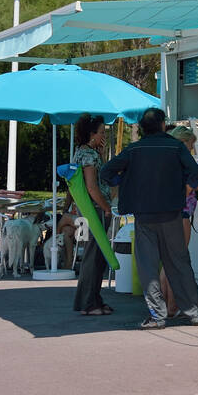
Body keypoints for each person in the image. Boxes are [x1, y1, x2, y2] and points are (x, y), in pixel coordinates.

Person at [101, 108, 198, 328]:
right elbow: (194, 173)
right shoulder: (175, 146)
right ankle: (193, 312)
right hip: (172, 213)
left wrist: (127, 182)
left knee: (148, 266)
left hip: (144, 215)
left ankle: (158, 316)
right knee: (178, 262)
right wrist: (183, 188)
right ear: (161, 125)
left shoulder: (134, 149)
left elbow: (107, 172)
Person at [160, 126, 198, 316]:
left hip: (166, 214)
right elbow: (187, 189)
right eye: (191, 144)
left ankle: (165, 305)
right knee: (177, 261)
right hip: (181, 214)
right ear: (183, 142)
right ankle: (172, 306)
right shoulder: (181, 162)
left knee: (167, 262)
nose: (192, 149)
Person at [72, 114, 115, 316]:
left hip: (87, 209)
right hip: (94, 209)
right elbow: (92, 187)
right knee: (93, 255)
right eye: (101, 132)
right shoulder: (88, 155)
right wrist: (106, 207)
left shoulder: (85, 152)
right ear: (92, 133)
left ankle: (94, 299)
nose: (103, 136)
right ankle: (88, 303)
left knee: (96, 255)